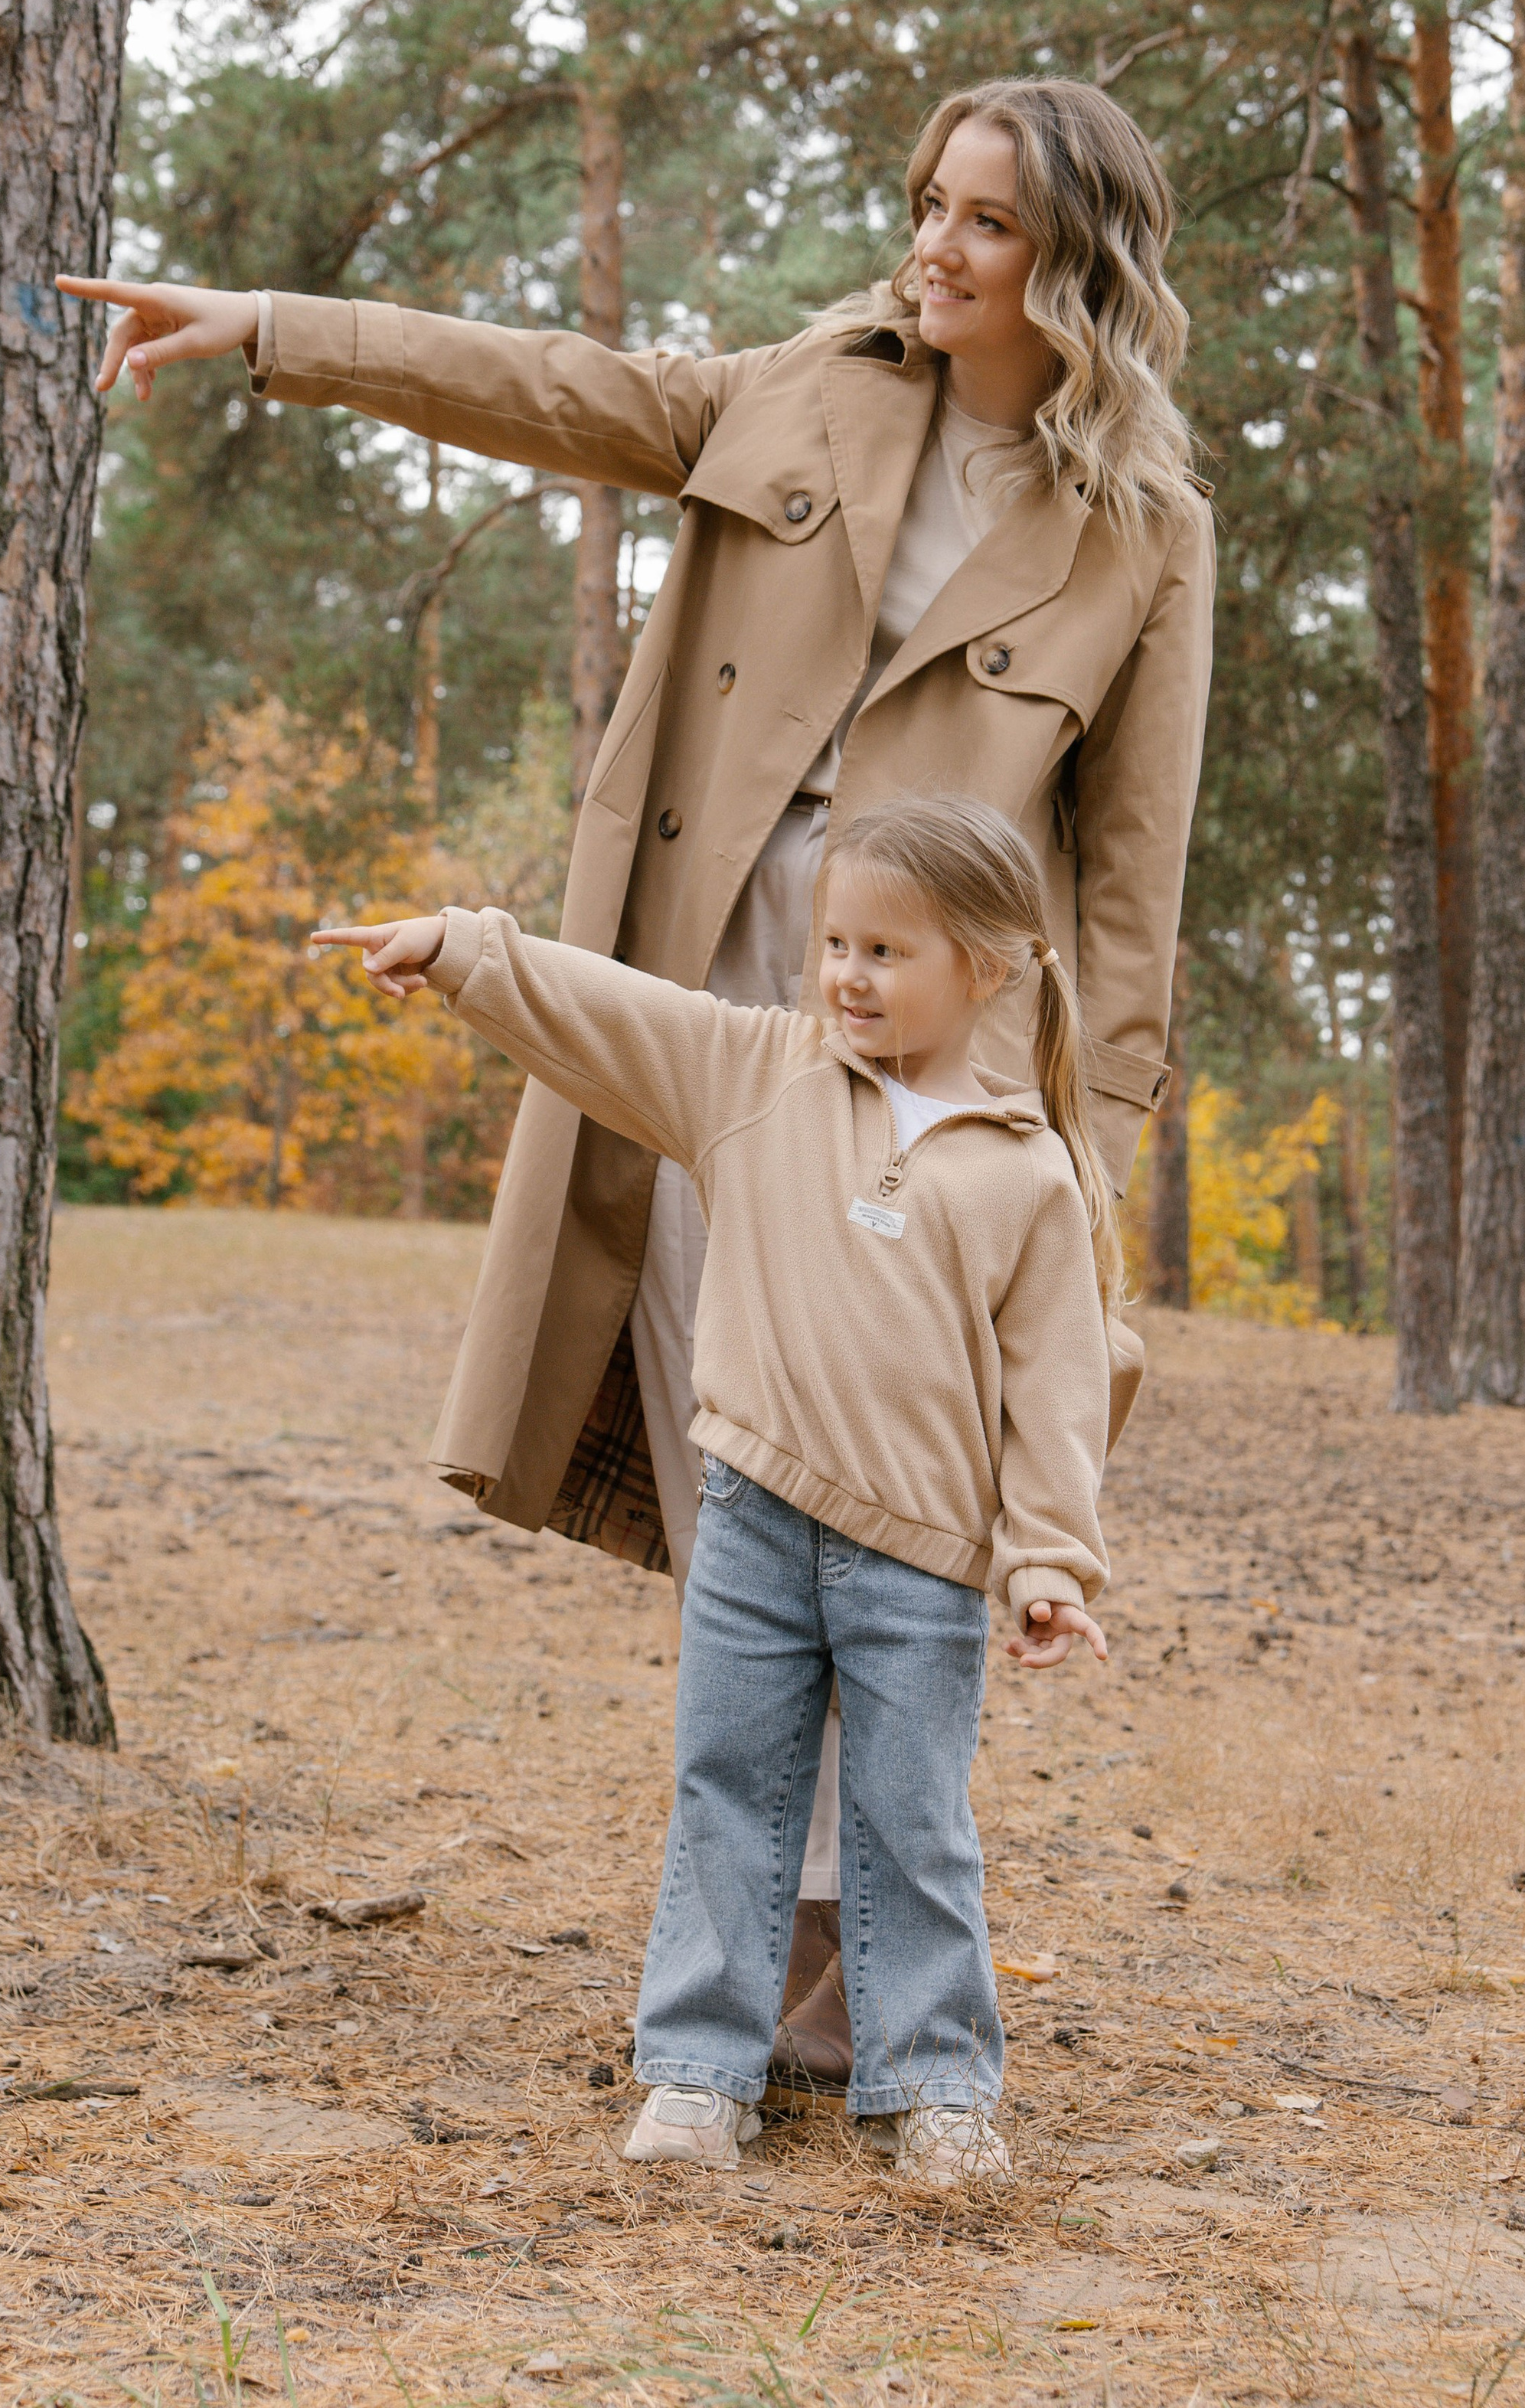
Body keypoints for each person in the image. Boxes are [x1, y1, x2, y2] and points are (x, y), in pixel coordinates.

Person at [57, 73, 1214, 2087]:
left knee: (913, 1506)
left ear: (1080, 269)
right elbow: (555, 386)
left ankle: (832, 1941)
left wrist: (1081, 1187)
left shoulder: (1145, 536)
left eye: (988, 226)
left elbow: (1128, 901)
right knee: (752, 1469)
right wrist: (274, 329)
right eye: (929, 204)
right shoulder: (804, 389)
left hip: (945, 1087)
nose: (933, 249)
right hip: (711, 1027)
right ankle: (791, 1951)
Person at [313, 793, 1127, 2185]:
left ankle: (934, 2086)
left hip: (921, 1558)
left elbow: (1057, 1386)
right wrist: (462, 947)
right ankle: (696, 2075)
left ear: (985, 968)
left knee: (912, 1824)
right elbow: (610, 1012)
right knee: (727, 1796)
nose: (848, 976)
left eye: (887, 952)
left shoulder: (1030, 1169)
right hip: (753, 1519)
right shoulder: (759, 1077)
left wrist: (1048, 1558)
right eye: (836, 944)